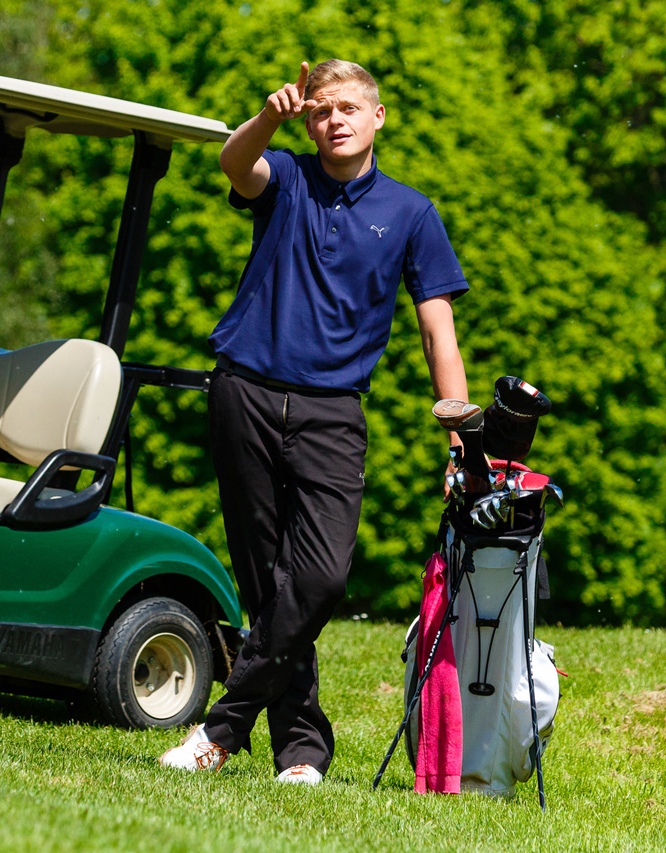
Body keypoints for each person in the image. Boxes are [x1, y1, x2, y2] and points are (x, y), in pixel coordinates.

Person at [158, 60, 469, 784]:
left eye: (349, 107)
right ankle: (300, 751)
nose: (335, 119)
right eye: (321, 109)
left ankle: (221, 727)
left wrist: (459, 429)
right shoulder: (288, 178)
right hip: (245, 394)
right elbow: (235, 164)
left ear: (378, 116)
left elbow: (437, 334)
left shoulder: (413, 213)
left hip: (333, 412)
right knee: (269, 587)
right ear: (308, 120)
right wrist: (269, 116)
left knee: (321, 577)